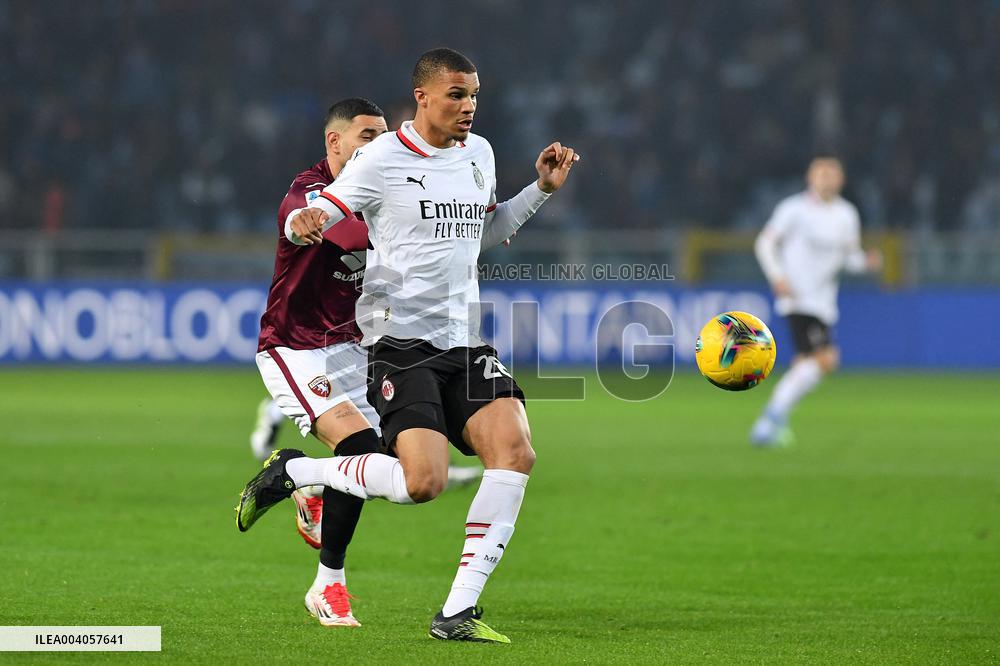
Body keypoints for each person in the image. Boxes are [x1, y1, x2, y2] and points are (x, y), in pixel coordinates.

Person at [237, 47, 579, 643]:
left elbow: (486, 230)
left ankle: (457, 613)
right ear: (421, 97)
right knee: (423, 483)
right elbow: (321, 210)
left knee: (517, 451)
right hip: (399, 343)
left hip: (463, 340)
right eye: (456, 94)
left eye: (473, 94)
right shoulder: (381, 158)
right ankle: (299, 472)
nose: (469, 105)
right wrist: (303, 222)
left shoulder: (481, 153)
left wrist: (541, 190)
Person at [253, 97, 389, 628]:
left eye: (384, 135)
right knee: (359, 448)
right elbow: (311, 223)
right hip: (296, 346)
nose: (380, 146)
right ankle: (328, 585)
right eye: (367, 136)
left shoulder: (384, 189)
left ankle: (309, 481)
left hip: (356, 347)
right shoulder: (308, 191)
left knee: (386, 466)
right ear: (335, 143)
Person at [750, 156, 882, 447]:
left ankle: (773, 423)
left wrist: (866, 262)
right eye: (821, 174)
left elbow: (850, 257)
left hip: (824, 302)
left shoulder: (847, 214)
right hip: (799, 299)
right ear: (810, 178)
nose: (827, 179)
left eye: (832, 174)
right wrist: (777, 277)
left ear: (841, 180)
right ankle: (769, 421)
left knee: (806, 365)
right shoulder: (793, 209)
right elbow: (764, 243)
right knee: (825, 359)